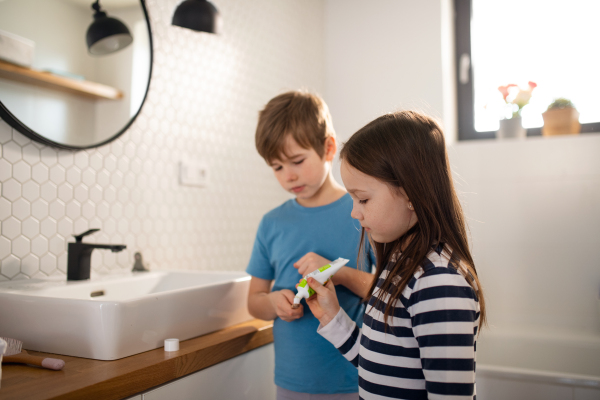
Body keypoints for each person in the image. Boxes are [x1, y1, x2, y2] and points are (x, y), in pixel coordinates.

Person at [304, 111, 486, 400]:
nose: (354, 212)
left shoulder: (438, 282)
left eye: (363, 199)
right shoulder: (399, 268)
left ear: (412, 194)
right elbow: (379, 367)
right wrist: (332, 316)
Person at [246, 90, 376, 399]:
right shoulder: (272, 223)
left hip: (354, 376)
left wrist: (339, 273)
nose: (289, 176)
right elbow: (254, 301)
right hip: (292, 380)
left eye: (297, 161)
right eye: (277, 167)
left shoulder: (361, 211)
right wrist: (273, 303)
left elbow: (385, 291)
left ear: (328, 148)